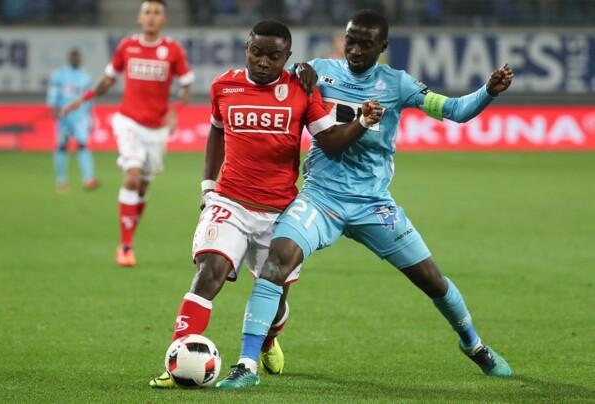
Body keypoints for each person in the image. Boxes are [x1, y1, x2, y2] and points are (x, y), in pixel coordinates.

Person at [217, 9, 515, 389]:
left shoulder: (398, 84)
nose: (355, 50)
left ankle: (474, 345)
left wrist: (488, 91)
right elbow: (274, 79)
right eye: (351, 41)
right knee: (277, 262)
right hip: (320, 197)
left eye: (365, 44)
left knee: (432, 281)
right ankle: (246, 364)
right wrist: (299, 71)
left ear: (383, 46)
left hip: (373, 203)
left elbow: (455, 111)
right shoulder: (320, 71)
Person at [149, 19, 384, 388]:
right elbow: (216, 131)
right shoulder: (223, 85)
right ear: (246, 48)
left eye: (273, 56)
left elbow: (331, 142)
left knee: (274, 299)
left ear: (287, 57)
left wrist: (362, 122)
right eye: (256, 52)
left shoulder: (302, 89)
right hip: (230, 201)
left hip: (280, 212)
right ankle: (177, 360)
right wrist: (208, 187)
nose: (263, 61)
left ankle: (269, 339)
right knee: (208, 274)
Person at [61, 0, 194, 267]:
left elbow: (186, 85)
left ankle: (128, 236)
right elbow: (109, 79)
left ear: (164, 20)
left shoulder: (173, 50)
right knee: (132, 177)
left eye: (157, 13)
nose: (151, 17)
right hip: (128, 122)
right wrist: (82, 99)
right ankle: (125, 246)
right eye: (147, 12)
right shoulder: (127, 46)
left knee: (143, 186)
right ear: (139, 18)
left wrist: (175, 110)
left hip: (156, 130)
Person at [47, 48, 99, 193]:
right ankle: (61, 181)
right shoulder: (59, 76)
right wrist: (54, 113)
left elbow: (89, 99)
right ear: (69, 59)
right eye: (73, 57)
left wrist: (91, 117)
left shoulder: (86, 77)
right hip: (64, 116)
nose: (76, 59)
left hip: (80, 117)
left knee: (83, 145)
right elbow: (52, 96)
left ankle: (88, 179)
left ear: (80, 59)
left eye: (78, 57)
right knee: (62, 146)